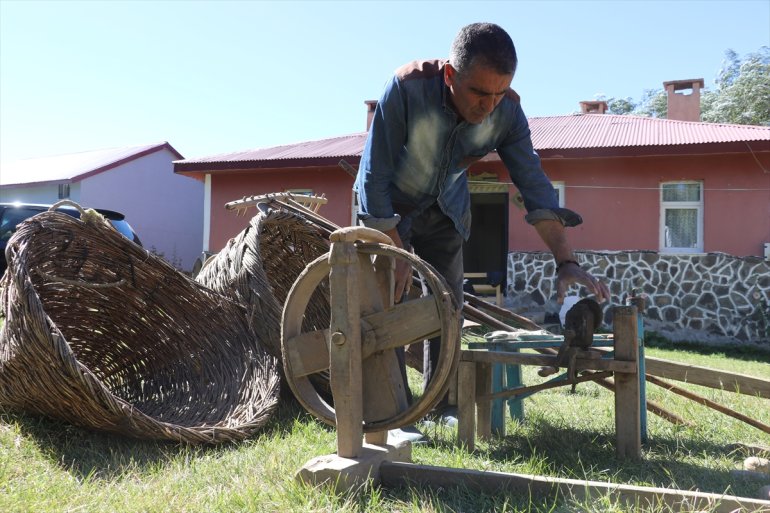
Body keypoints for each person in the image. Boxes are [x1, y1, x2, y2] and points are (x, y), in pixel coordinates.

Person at [354, 22, 610, 430]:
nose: (488, 105)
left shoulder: (507, 111)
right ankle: (395, 414)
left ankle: (442, 406)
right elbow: (373, 177)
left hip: (447, 212)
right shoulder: (406, 88)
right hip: (387, 211)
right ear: (451, 76)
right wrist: (392, 248)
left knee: (447, 307)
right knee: (388, 307)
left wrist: (566, 261)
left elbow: (534, 185)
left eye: (498, 93)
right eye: (478, 92)